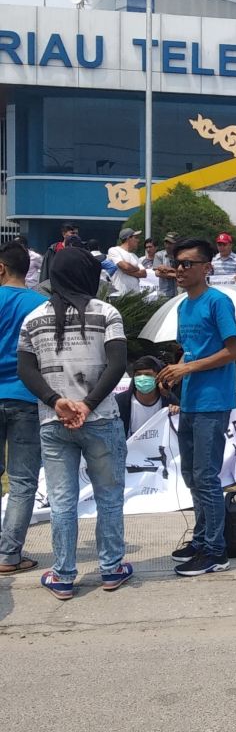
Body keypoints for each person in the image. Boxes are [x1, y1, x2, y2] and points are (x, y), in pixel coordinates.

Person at [18, 246, 132, 598]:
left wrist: (57, 401)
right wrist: (88, 404)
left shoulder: (33, 319)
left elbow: (26, 369)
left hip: (53, 422)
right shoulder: (107, 313)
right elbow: (117, 365)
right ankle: (111, 569)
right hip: (101, 419)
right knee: (109, 497)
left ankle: (64, 574)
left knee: (62, 501)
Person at [156, 238, 236, 578]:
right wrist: (175, 371)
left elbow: (233, 351)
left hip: (213, 400)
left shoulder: (217, 302)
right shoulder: (182, 306)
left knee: (206, 476)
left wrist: (187, 369)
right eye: (178, 263)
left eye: (188, 263)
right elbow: (190, 351)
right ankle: (201, 538)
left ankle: (215, 550)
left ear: (207, 268)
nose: (180, 269)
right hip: (190, 399)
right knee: (192, 475)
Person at [0, 242, 53, 575]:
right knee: (22, 481)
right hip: (25, 395)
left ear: (2, 268)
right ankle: (8, 555)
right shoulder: (42, 304)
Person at [117, 355, 177, 437]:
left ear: (158, 377)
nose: (142, 378)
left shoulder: (170, 400)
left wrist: (177, 412)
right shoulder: (120, 402)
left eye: (148, 374)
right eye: (138, 374)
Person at [106, 228, 147, 297]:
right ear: (128, 239)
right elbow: (125, 266)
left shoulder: (134, 256)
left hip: (135, 296)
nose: (138, 240)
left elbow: (144, 273)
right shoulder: (114, 250)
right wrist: (136, 269)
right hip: (119, 296)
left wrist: (127, 271)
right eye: (135, 237)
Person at [151, 232, 180, 299]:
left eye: (170, 243)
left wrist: (167, 269)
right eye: (166, 242)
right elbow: (158, 273)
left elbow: (185, 272)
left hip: (180, 292)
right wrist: (176, 274)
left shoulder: (182, 255)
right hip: (165, 293)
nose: (167, 245)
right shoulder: (159, 255)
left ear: (176, 243)